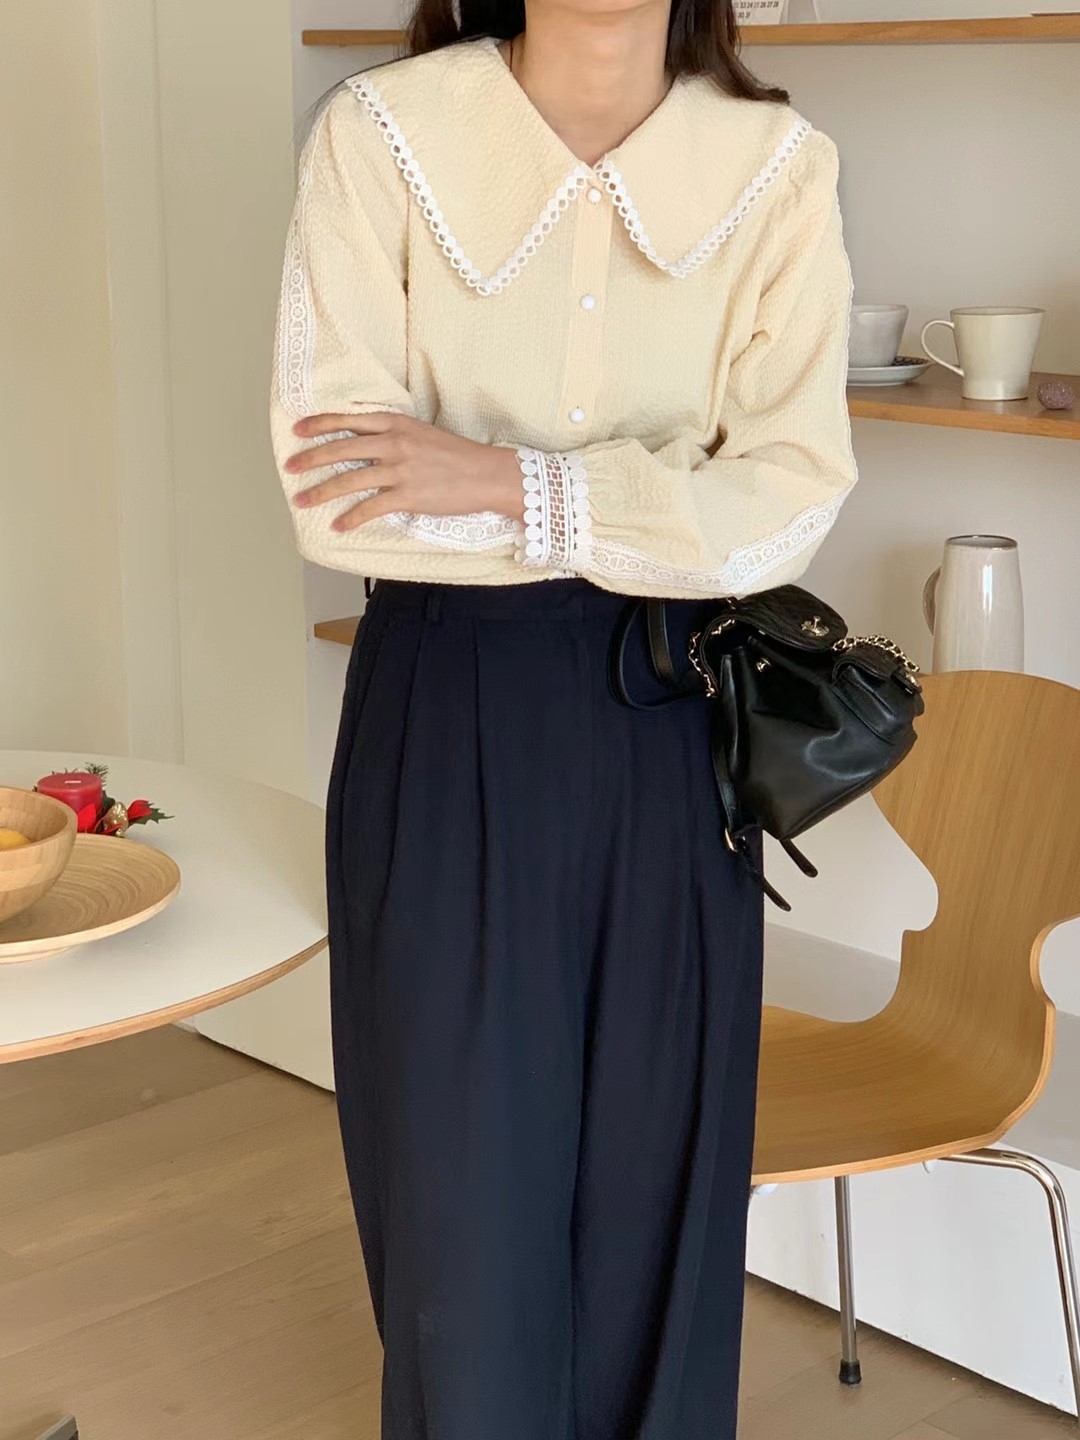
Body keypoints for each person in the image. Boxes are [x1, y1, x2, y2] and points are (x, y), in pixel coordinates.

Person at [269, 4, 857, 1436]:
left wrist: (500, 481)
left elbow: (790, 501)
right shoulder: (380, 136)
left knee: (664, 1185)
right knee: (460, 1201)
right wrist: (663, 502)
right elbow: (339, 497)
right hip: (449, 705)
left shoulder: (777, 166)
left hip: (681, 724)